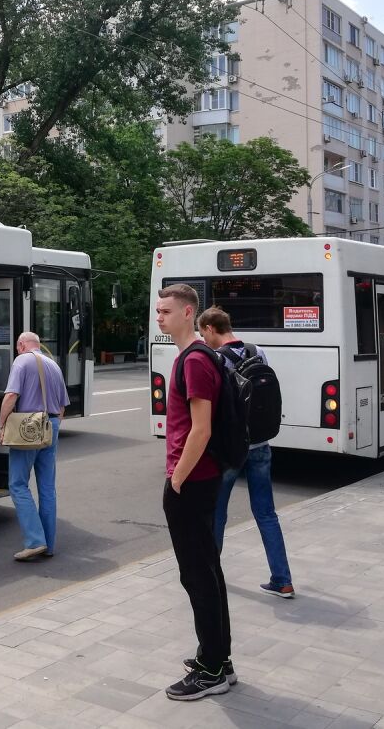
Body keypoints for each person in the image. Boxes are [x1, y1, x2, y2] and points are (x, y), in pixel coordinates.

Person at [154, 284, 233, 701]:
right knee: (207, 570)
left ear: (188, 313)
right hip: (200, 479)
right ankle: (218, 656)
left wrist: (178, 479)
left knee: (198, 575)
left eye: (166, 311)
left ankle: (212, 669)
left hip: (193, 481)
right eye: (157, 310)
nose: (159, 317)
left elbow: (200, 429)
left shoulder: (195, 361)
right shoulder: (195, 357)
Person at [197, 306, 295, 599]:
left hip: (231, 449)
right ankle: (283, 579)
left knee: (216, 514)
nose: (204, 339)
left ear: (211, 329)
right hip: (262, 444)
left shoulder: (216, 359)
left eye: (204, 334)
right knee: (266, 513)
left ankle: (211, 577)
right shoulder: (258, 351)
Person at [0, 332, 68, 563]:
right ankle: (49, 544)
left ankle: (35, 541)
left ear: (21, 345)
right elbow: (62, 406)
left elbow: (11, 396)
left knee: (17, 484)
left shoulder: (22, 360)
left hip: (28, 427)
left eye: (18, 347)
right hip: (52, 425)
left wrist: (1, 425)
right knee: (47, 487)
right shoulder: (53, 364)